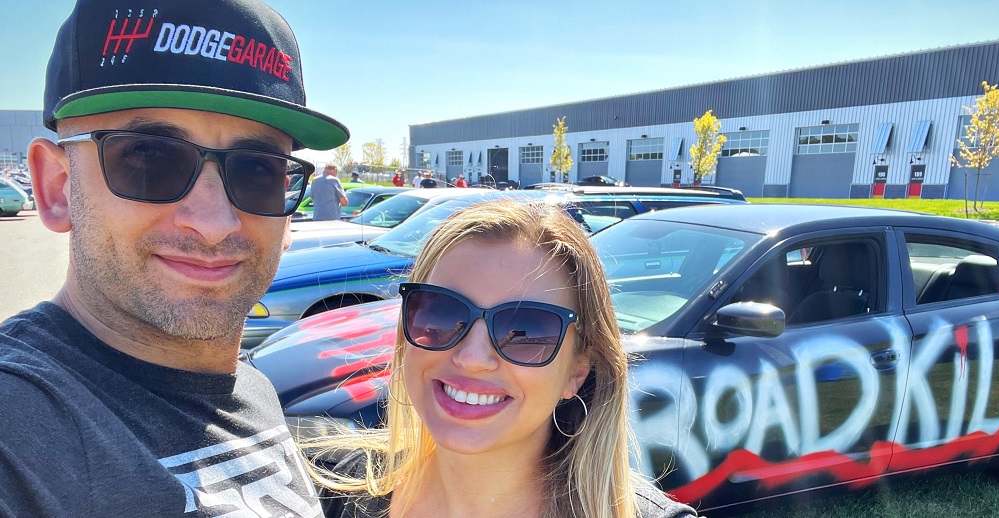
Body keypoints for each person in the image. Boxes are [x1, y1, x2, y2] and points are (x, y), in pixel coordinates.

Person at [0, 0, 349, 516]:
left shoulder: (248, 386)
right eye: (148, 158)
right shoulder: (20, 422)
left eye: (258, 170)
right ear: (57, 188)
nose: (214, 223)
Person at [307, 201, 697, 518]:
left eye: (526, 329)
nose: (472, 358)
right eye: (443, 313)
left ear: (576, 372)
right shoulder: (324, 493)